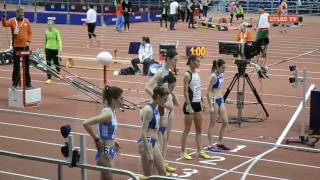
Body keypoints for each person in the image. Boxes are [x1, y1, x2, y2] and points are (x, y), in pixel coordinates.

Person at [82, 86, 123, 180]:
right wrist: (96, 140)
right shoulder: (108, 114)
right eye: (121, 98)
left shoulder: (111, 111)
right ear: (113, 100)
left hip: (109, 150)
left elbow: (104, 129)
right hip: (105, 152)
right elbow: (86, 123)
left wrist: (113, 140)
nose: (123, 101)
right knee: (108, 177)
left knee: (106, 177)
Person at [181, 55, 210, 160]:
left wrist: (202, 102)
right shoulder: (187, 75)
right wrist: (188, 105)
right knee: (187, 130)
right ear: (192, 62)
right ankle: (183, 152)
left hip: (197, 103)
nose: (199, 63)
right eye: (197, 61)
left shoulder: (197, 74)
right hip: (190, 104)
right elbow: (185, 91)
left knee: (199, 129)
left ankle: (200, 151)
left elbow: (198, 89)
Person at [138, 86, 170, 176]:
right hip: (146, 142)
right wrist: (148, 151)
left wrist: (157, 144)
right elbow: (143, 132)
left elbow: (155, 129)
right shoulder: (148, 110)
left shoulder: (156, 107)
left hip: (153, 142)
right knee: (148, 176)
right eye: (164, 99)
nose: (166, 102)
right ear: (158, 97)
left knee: (162, 172)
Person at [2, 6, 32, 89]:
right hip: (16, 47)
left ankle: (28, 83)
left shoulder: (26, 21)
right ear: (17, 13)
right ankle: (15, 82)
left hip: (25, 47)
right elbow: (5, 24)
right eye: (20, 13)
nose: (22, 14)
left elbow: (30, 32)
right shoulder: (12, 20)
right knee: (16, 66)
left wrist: (28, 41)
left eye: (23, 13)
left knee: (26, 66)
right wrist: (4, 17)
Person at [207, 59, 230, 152]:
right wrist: (211, 105)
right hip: (214, 100)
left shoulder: (222, 75)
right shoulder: (213, 76)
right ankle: (210, 145)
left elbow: (219, 88)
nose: (224, 69)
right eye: (223, 67)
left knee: (225, 122)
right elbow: (208, 91)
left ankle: (219, 143)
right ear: (217, 67)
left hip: (220, 99)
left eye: (225, 67)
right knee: (212, 124)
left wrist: (224, 99)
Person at [158, 72, 179, 173]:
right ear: (166, 84)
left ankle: (163, 162)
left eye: (174, 86)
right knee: (159, 146)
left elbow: (177, 103)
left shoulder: (169, 93)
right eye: (172, 86)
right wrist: (168, 92)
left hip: (165, 122)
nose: (172, 88)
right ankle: (159, 165)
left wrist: (172, 93)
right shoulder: (161, 93)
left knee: (165, 144)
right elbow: (170, 106)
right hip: (159, 123)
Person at [44, 19, 62, 84]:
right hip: (48, 49)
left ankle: (58, 74)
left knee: (56, 62)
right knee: (48, 64)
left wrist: (60, 48)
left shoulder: (56, 31)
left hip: (55, 49)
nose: (49, 25)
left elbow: (59, 40)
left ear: (53, 25)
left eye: (51, 24)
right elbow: (45, 40)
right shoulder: (46, 32)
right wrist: (44, 48)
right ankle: (49, 78)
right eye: (48, 24)